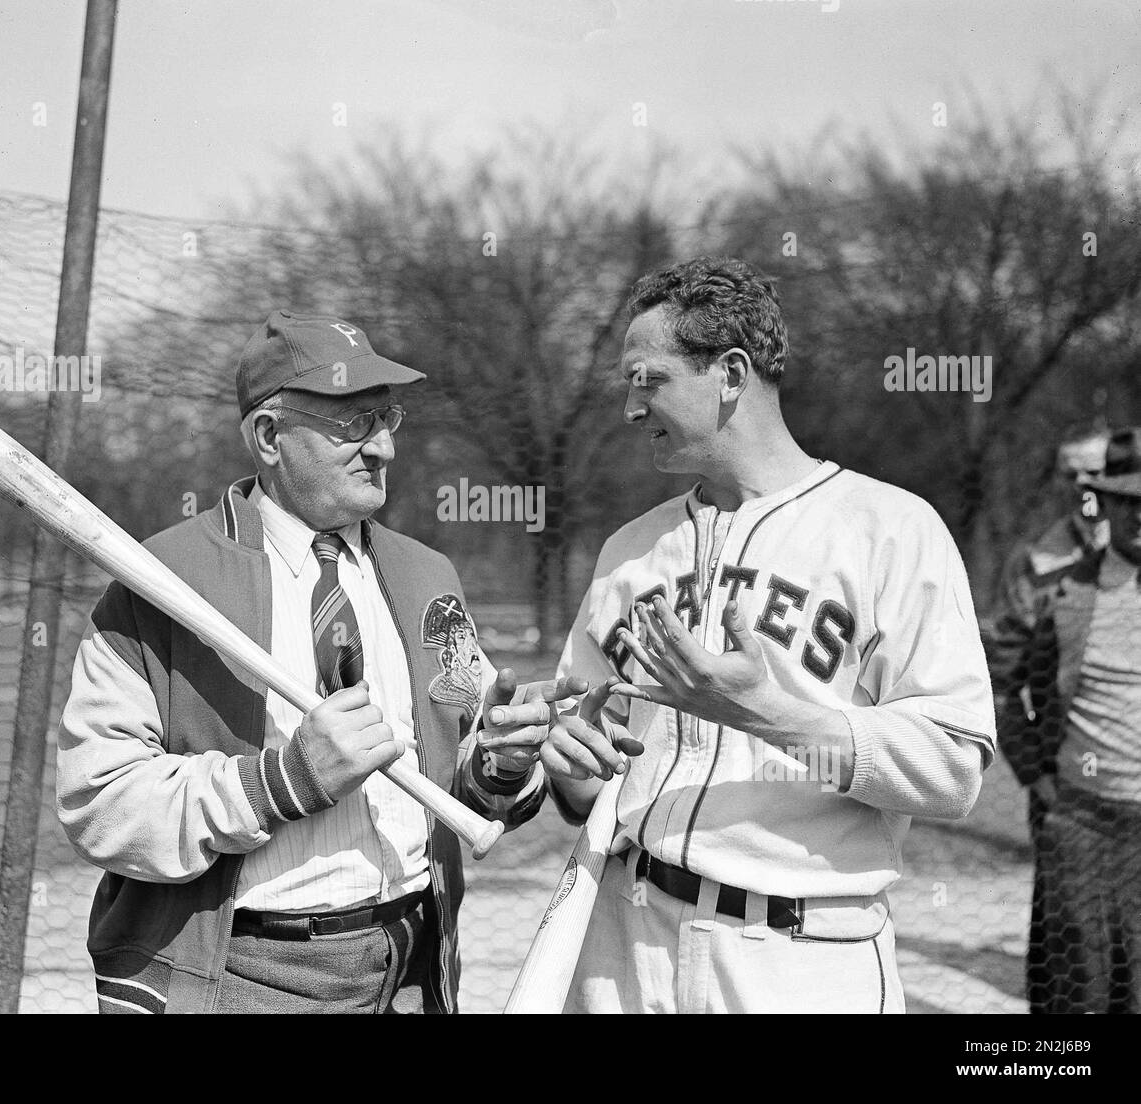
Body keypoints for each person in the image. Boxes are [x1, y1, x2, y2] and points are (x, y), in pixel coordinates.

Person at [56, 309, 577, 1013]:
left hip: (413, 961)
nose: (384, 447)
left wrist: (503, 766)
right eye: (354, 423)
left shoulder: (428, 578)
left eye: (388, 418)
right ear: (270, 437)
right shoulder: (164, 581)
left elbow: (471, 799)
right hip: (240, 974)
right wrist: (283, 781)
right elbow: (102, 803)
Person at [533, 256, 996, 1013]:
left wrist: (769, 715)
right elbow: (585, 784)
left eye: (646, 378)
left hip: (797, 960)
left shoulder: (890, 530)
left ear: (731, 373)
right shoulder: (630, 549)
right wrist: (565, 760)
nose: (628, 405)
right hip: (625, 940)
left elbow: (953, 769)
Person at [992, 427, 1141, 1013]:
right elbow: (1003, 680)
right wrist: (1037, 776)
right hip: (1080, 819)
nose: (1140, 517)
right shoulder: (1062, 589)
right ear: (1104, 504)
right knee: (1077, 990)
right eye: (1129, 502)